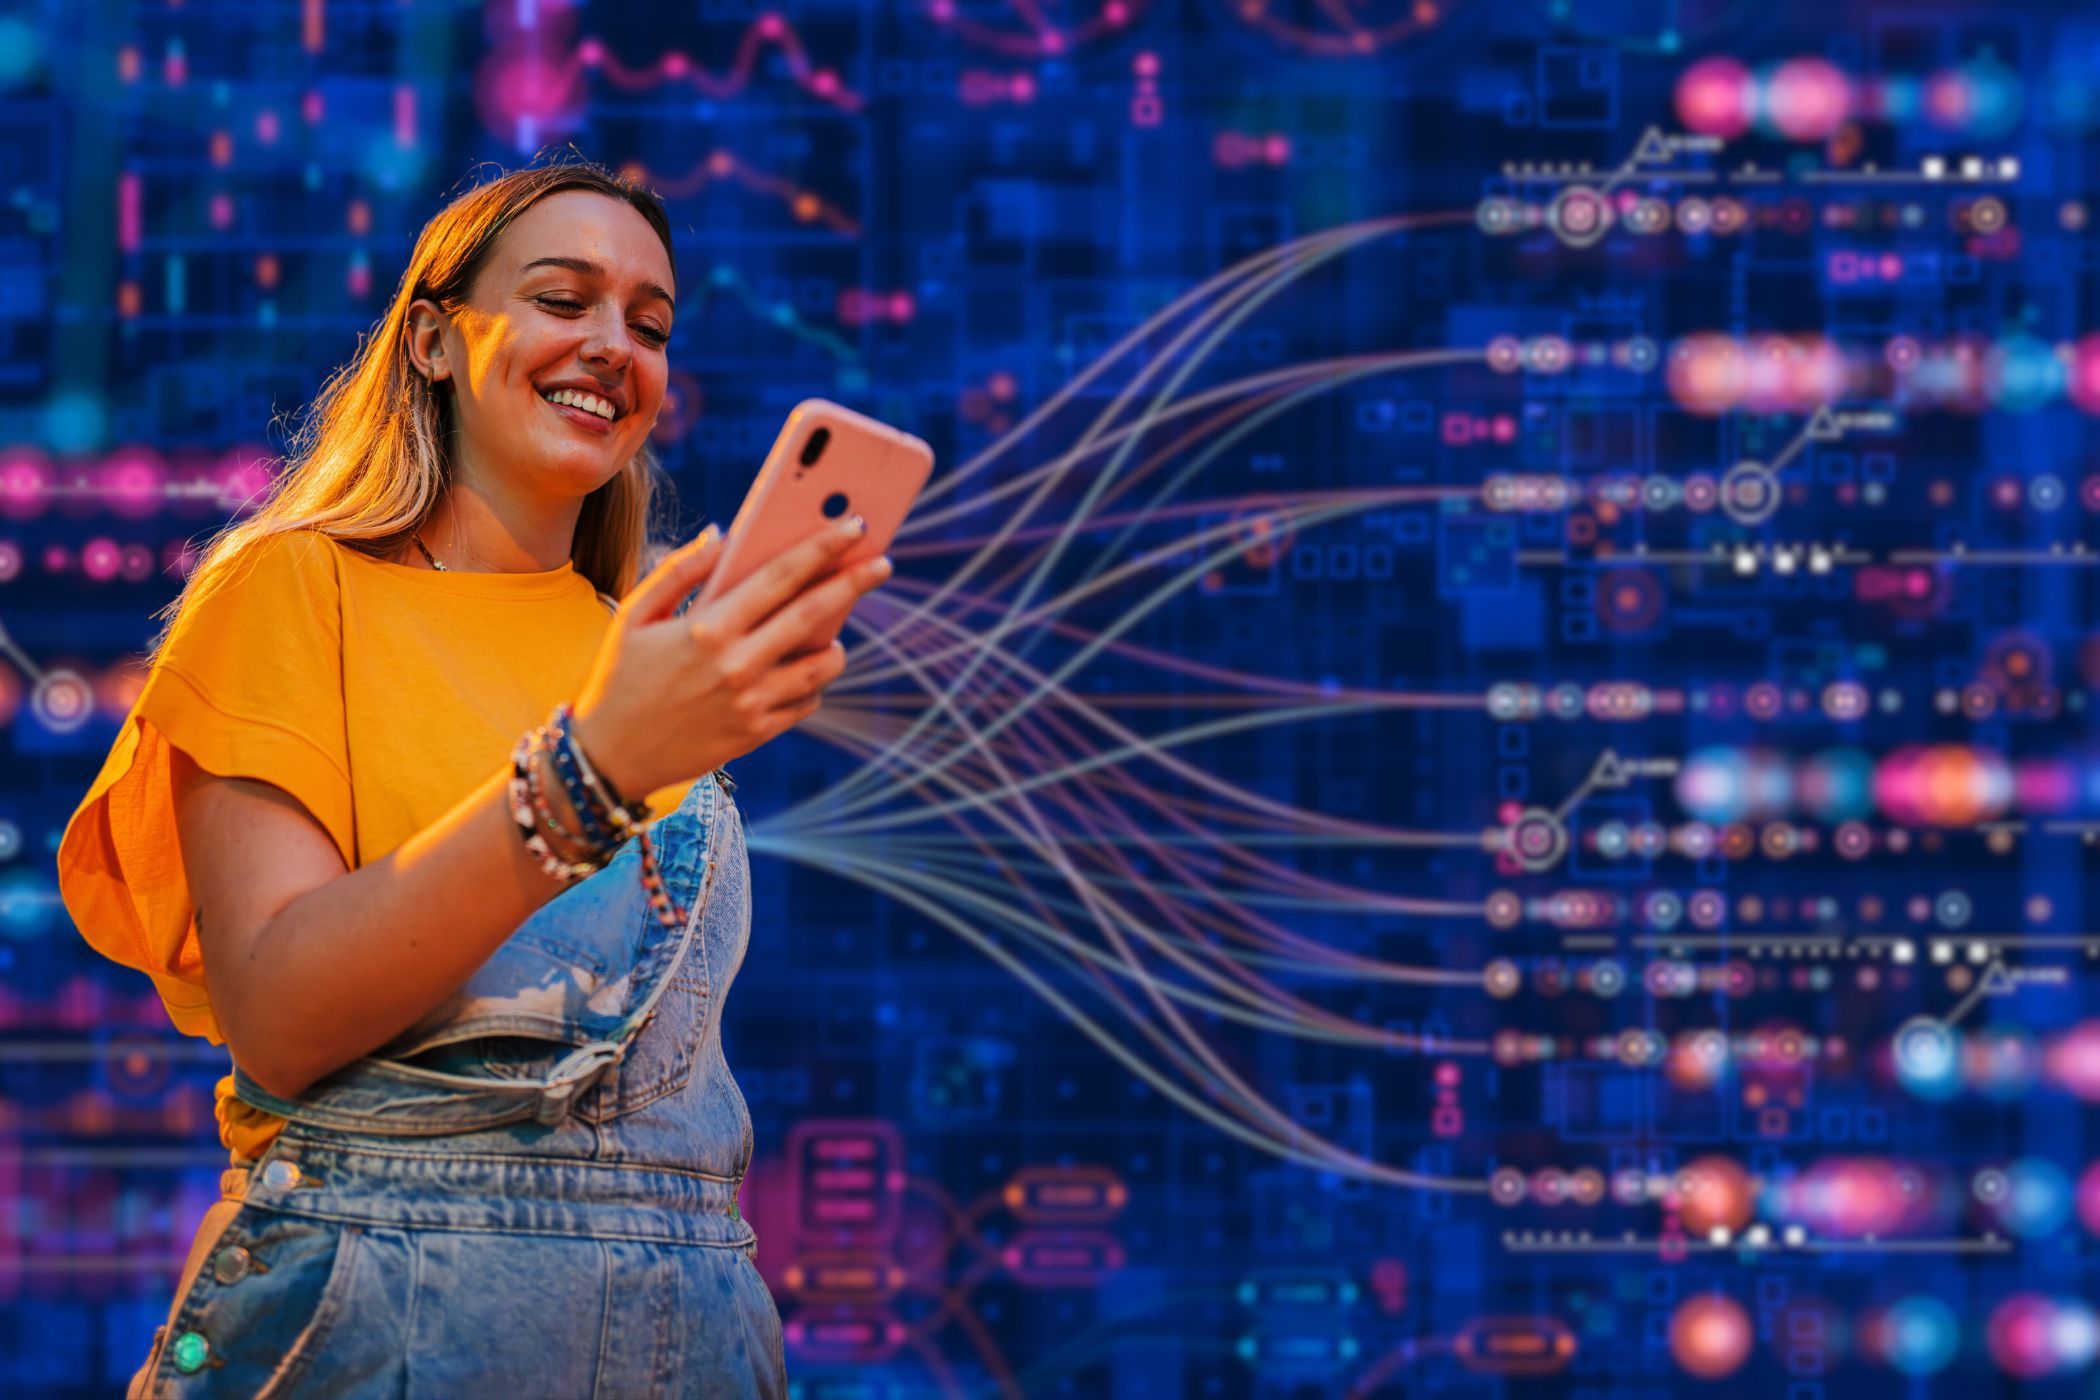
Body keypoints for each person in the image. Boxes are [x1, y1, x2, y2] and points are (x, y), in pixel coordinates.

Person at [55, 156, 893, 1397]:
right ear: (437, 341)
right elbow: (280, 1018)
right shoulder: (294, 590)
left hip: (694, 1327)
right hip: (369, 1309)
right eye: (565, 300)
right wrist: (590, 776)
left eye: (650, 324)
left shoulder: (643, 654)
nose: (614, 344)